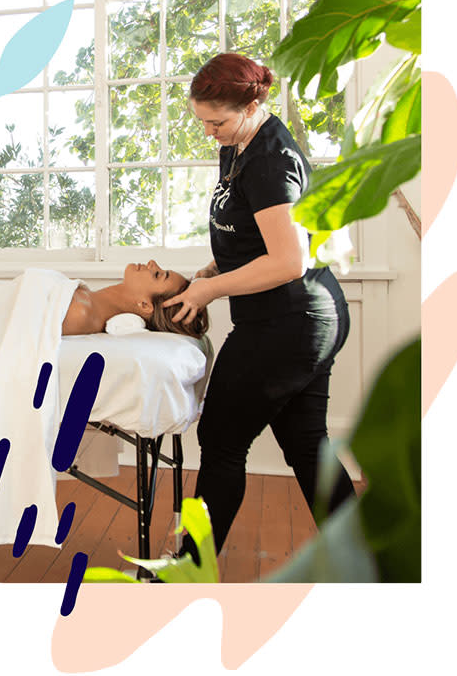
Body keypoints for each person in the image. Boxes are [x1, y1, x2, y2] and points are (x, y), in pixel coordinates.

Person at [163, 53, 355, 560]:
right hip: (300, 316)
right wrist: (215, 265)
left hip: (290, 319)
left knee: (222, 441)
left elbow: (288, 261)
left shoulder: (270, 157)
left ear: (251, 105)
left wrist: (210, 290)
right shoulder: (239, 142)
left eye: (217, 122)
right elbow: (253, 232)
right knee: (308, 448)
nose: (209, 133)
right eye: (202, 121)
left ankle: (188, 569)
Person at [62, 260, 208, 338]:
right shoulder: (82, 299)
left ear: (145, 305)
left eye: (157, 275)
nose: (152, 262)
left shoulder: (79, 313)